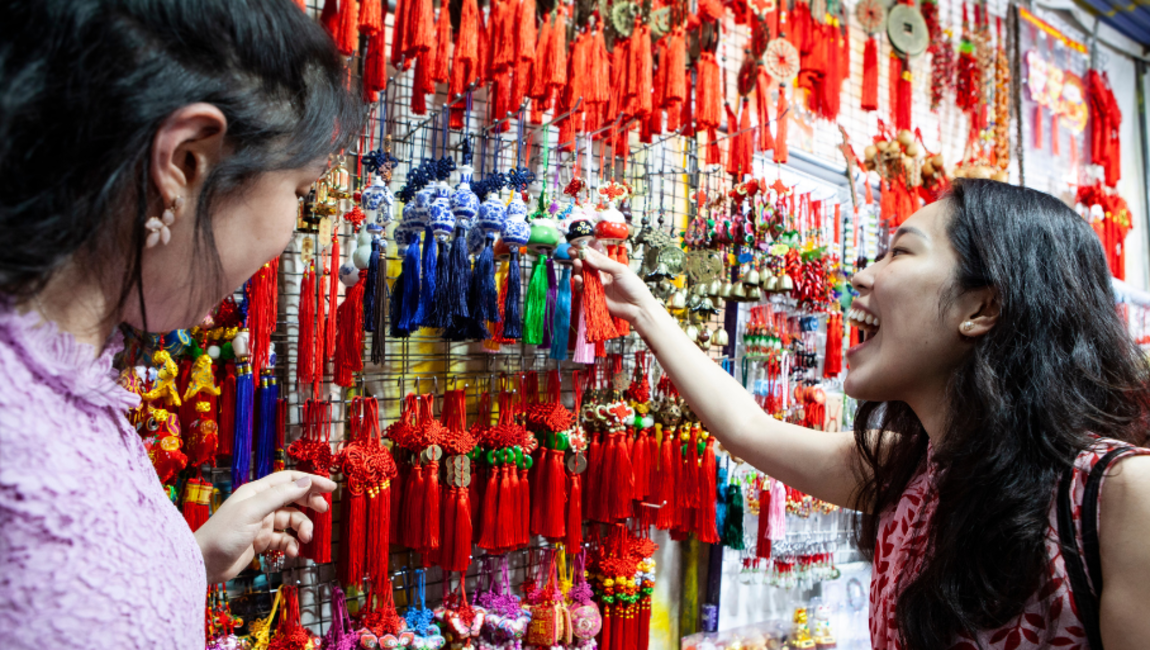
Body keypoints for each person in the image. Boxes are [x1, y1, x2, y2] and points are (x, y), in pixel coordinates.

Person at [576, 179, 1150, 650]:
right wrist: (643, 309)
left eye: (900, 252)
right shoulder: (914, 474)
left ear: (982, 308)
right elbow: (749, 429)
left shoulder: (1119, 495)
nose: (862, 275)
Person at [0, 1, 359, 647]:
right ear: (185, 162)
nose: (290, 229)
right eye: (301, 192)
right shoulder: (24, 449)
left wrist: (189, 560)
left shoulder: (61, 381)